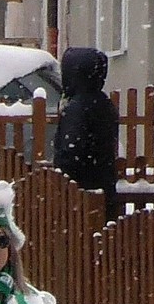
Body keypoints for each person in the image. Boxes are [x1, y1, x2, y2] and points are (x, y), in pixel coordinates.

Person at [50, 46, 119, 218]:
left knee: (81, 238)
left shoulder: (77, 107)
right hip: (104, 184)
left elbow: (71, 151)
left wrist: (60, 176)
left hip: (79, 191)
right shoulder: (104, 102)